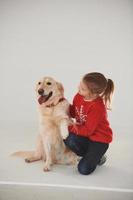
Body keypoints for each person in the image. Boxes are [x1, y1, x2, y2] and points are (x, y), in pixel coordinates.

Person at [64, 72, 114, 175]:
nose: (78, 88)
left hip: (99, 141)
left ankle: (98, 156)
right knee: (66, 137)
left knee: (83, 170)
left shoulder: (97, 107)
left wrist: (68, 126)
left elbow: (87, 130)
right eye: (80, 84)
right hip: (86, 137)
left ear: (93, 93)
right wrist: (62, 105)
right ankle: (91, 156)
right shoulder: (78, 96)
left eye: (83, 88)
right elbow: (73, 112)